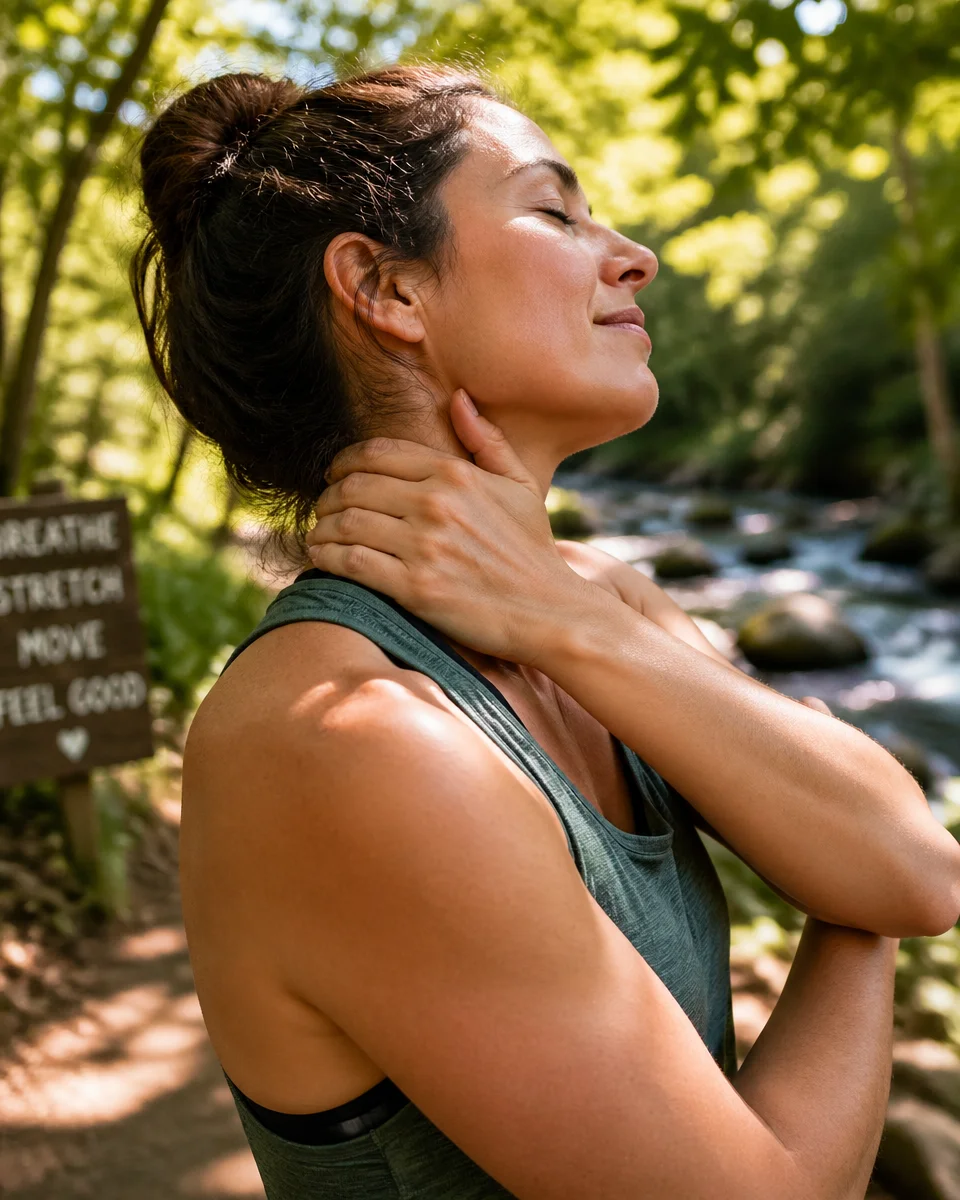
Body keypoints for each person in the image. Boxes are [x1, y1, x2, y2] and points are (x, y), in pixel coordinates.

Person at [131, 62, 960, 1200]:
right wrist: (843, 883)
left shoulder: (594, 602)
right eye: (555, 211)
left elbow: (921, 872)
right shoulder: (342, 738)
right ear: (388, 290)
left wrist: (573, 620)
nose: (633, 254)